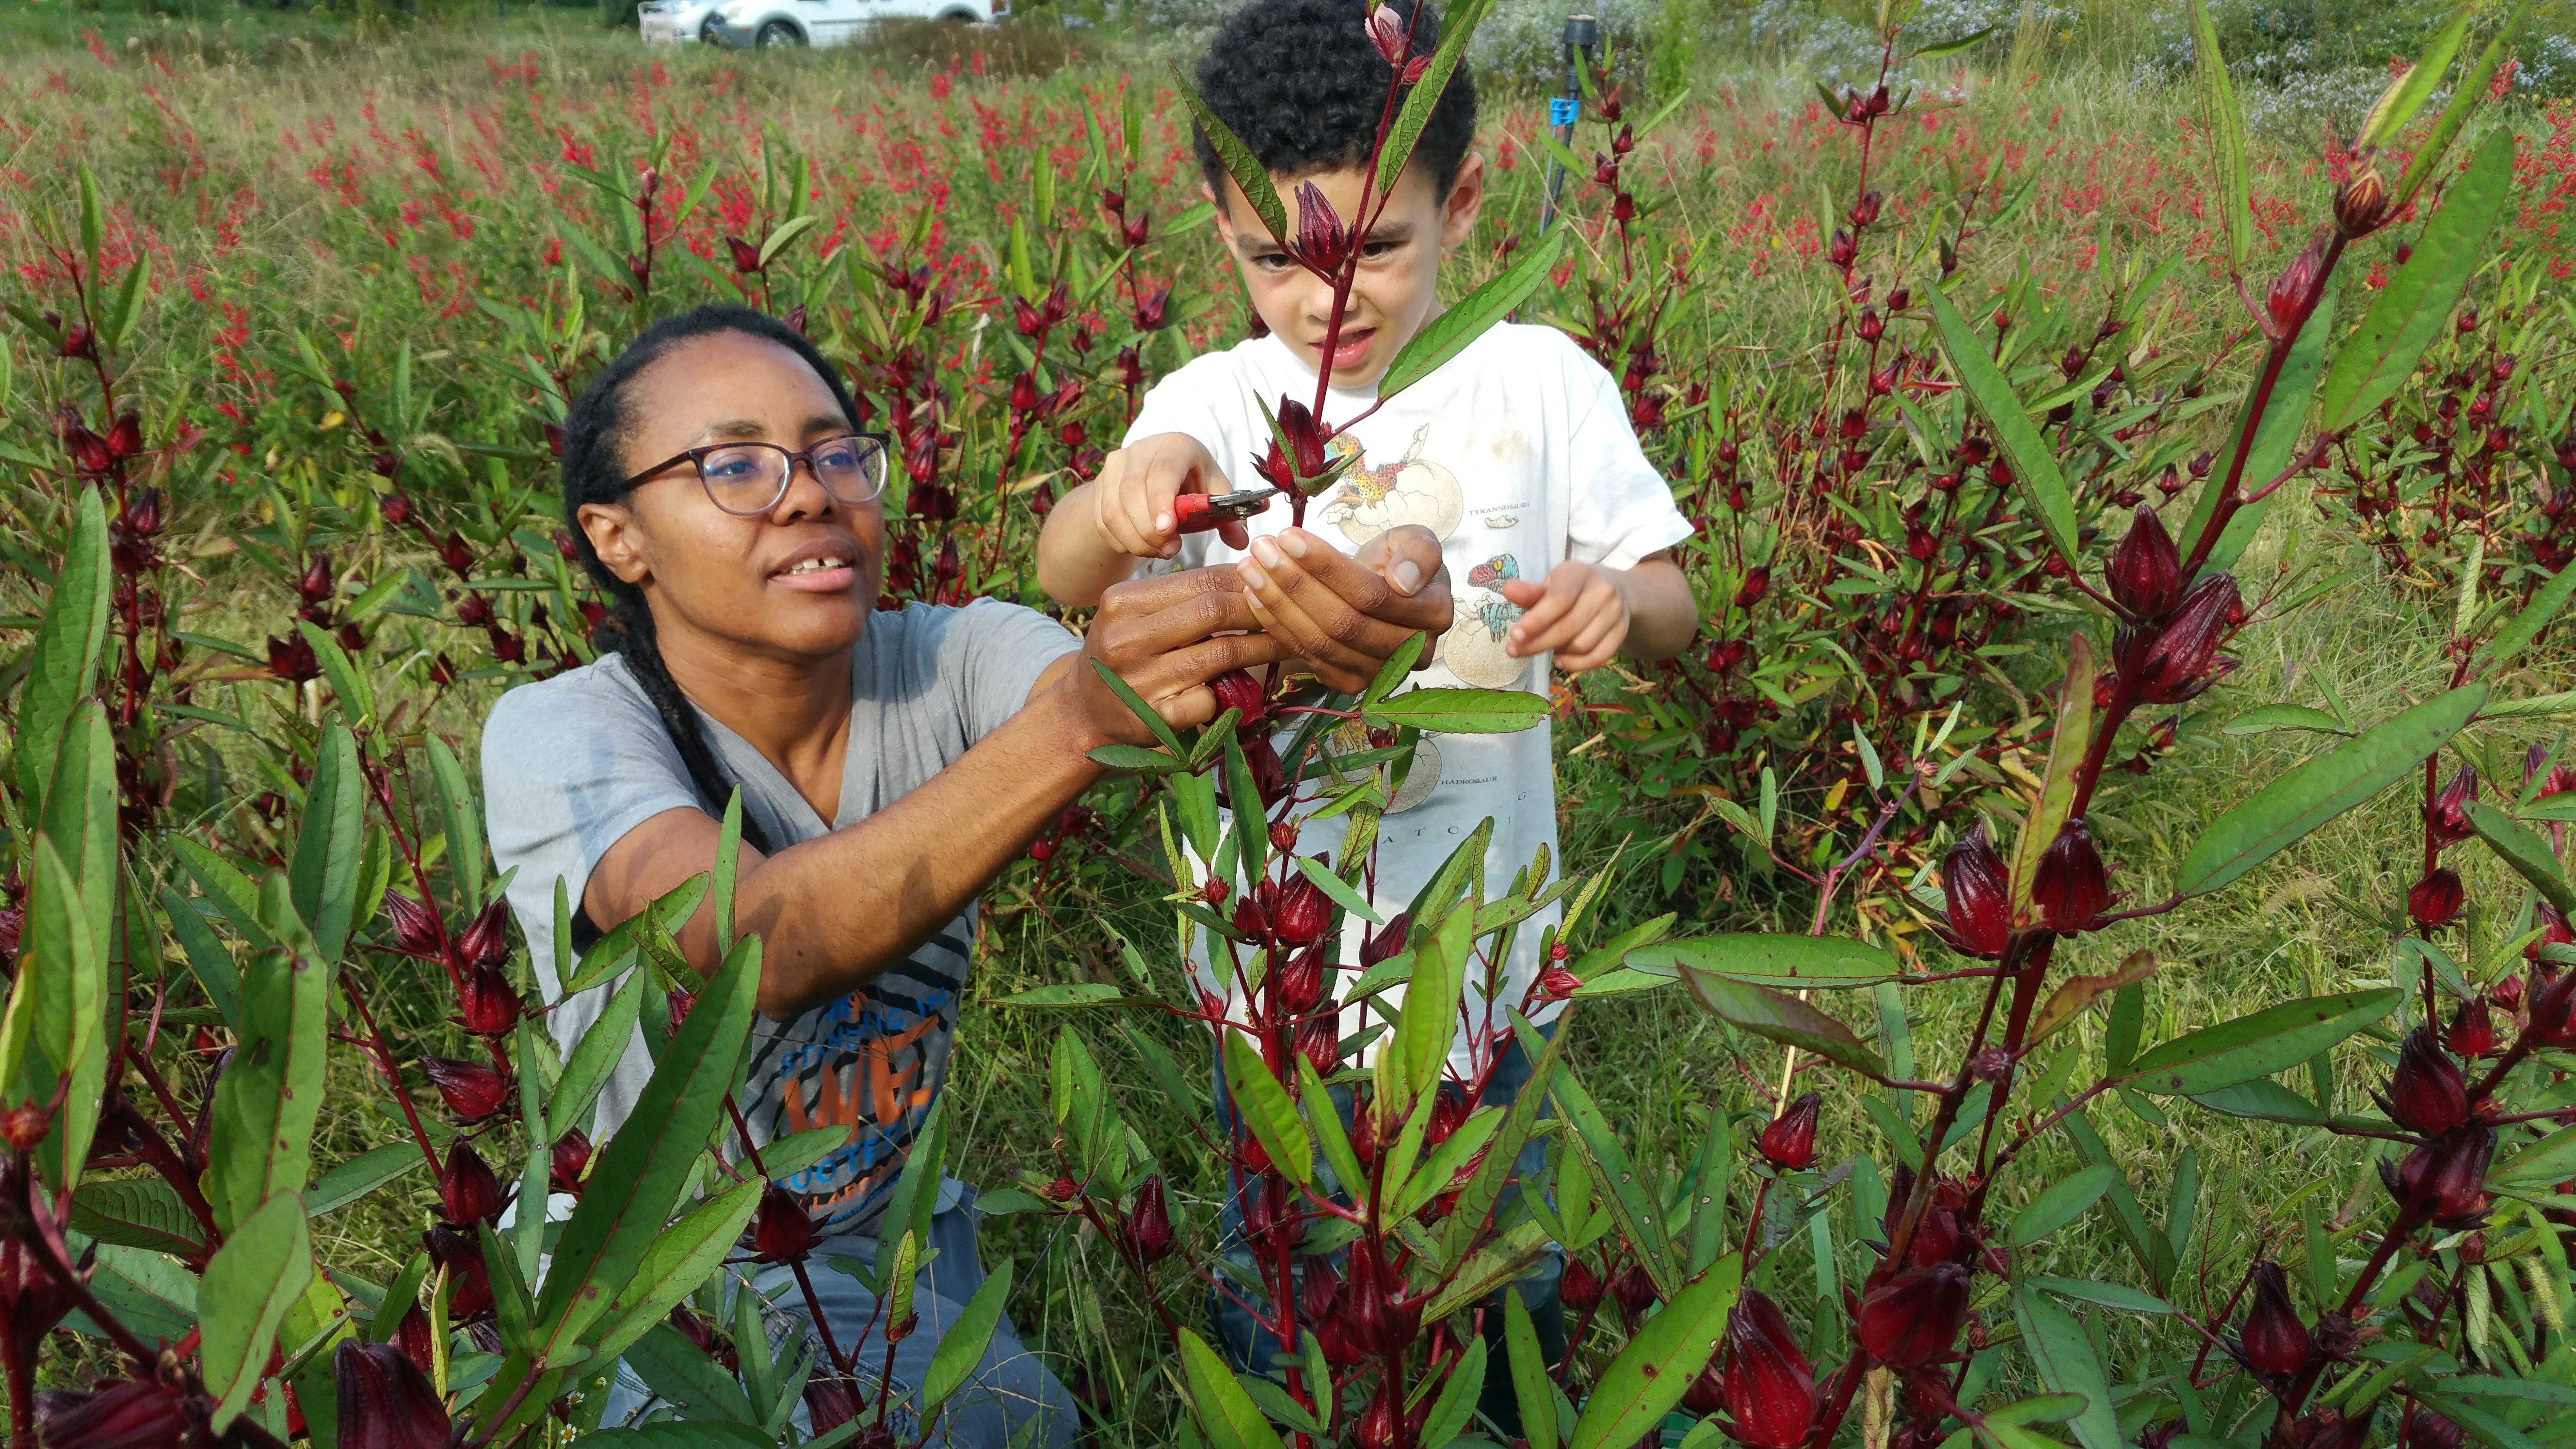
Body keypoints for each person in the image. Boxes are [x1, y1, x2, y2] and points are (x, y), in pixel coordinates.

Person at [480, 304, 1451, 1445]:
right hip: (649, 1277)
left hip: (899, 1250)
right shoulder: (563, 733)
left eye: (838, 451)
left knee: (1026, 1421)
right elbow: (757, 941)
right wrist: (1083, 721)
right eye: (734, 464)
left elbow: (1152, 723)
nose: (810, 491)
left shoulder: (956, 655)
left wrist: (1330, 615)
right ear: (617, 538)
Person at [1031, 0, 1701, 1389]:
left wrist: (1613, 603)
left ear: (1461, 198)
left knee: (1496, 1268)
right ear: (1223, 227)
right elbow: (1061, 564)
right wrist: (1123, 497)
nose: (1321, 299)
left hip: (1483, 967)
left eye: (1378, 248)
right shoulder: (1214, 399)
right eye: (1274, 258)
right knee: (1285, 1273)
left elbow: (1674, 604)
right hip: (1269, 964)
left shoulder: (1540, 379)